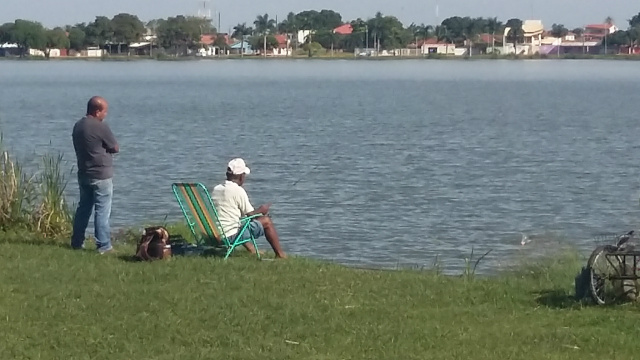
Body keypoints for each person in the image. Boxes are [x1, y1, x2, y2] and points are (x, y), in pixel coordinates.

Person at [70, 96, 119, 253]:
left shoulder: (78, 126)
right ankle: (104, 245)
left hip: (84, 173)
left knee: (83, 208)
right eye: (104, 112)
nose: (105, 115)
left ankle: (77, 242)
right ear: (97, 111)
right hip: (101, 174)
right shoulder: (100, 127)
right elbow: (115, 147)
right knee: (102, 210)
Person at [211, 158, 287, 259]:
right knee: (267, 221)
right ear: (241, 176)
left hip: (215, 234)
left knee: (237, 223)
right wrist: (262, 210)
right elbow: (251, 216)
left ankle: (251, 249)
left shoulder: (217, 189)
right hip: (228, 237)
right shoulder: (238, 191)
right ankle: (280, 255)